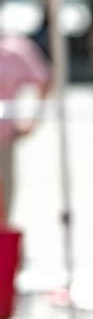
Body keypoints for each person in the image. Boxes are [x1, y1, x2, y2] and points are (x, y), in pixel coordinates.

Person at [0, 33, 51, 219]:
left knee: (3, 206)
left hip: (3, 138)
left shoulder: (15, 48)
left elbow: (44, 80)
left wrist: (33, 120)